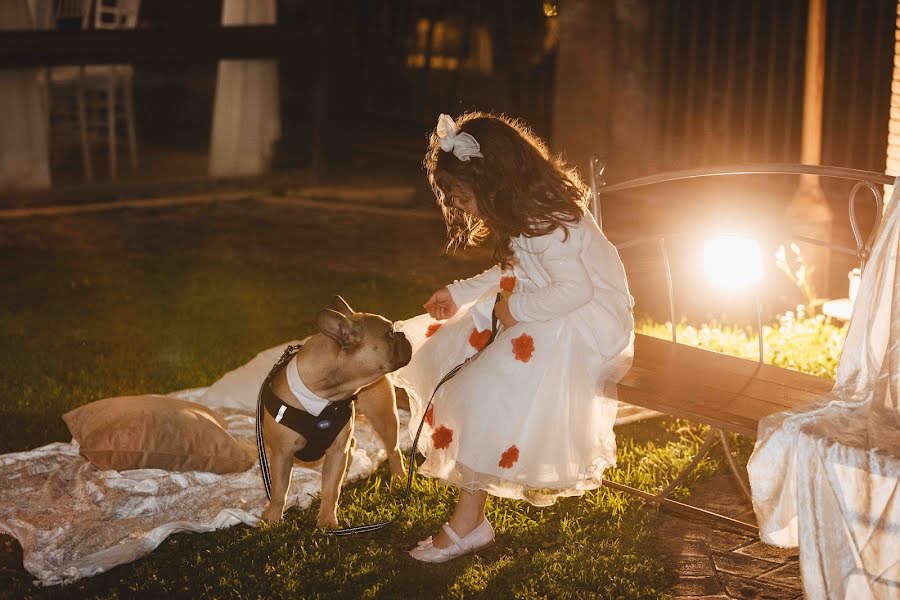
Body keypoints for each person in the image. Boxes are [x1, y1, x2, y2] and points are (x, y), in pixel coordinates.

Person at [392, 112, 635, 563]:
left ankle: (468, 523)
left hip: (589, 322)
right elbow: (513, 271)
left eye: (463, 196)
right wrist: (459, 293)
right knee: (458, 342)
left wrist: (514, 310)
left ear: (495, 182)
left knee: (484, 388)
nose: (461, 207)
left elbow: (575, 290)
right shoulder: (527, 213)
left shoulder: (546, 220)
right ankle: (472, 520)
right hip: (552, 304)